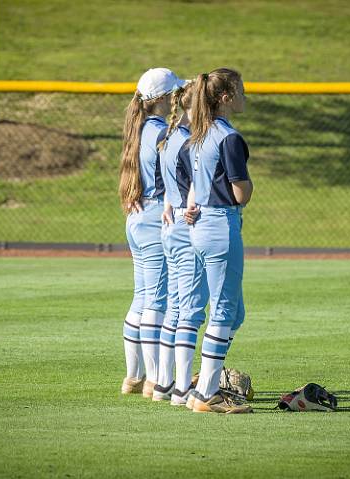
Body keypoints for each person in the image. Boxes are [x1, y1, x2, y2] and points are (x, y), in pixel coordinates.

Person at [184, 68, 253, 414]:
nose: (244, 96)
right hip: (221, 225)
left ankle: (207, 381)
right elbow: (241, 193)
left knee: (234, 313)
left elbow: (188, 178)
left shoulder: (198, 133)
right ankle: (206, 393)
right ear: (225, 97)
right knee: (223, 311)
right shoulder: (228, 136)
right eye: (240, 91)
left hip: (201, 227)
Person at [119, 68, 186, 398]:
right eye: (176, 92)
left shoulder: (140, 125)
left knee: (143, 297)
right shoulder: (161, 131)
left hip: (136, 216)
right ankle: (155, 380)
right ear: (163, 98)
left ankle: (133, 377)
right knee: (157, 302)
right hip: (155, 219)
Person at [150, 82, 201, 405]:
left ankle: (164, 384)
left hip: (170, 225)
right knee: (190, 311)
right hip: (186, 224)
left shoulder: (167, 135)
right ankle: (182, 388)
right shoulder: (187, 140)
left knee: (175, 307)